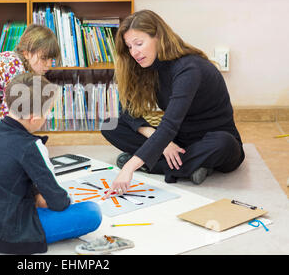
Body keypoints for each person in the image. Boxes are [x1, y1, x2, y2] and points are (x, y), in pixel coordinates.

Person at [0, 73, 102, 254]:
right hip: (5, 233)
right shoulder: (31, 146)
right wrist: (54, 198)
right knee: (92, 212)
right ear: (34, 118)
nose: (48, 117)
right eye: (48, 113)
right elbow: (58, 202)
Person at [101, 10, 245, 197]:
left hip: (213, 141)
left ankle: (154, 166)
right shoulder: (149, 66)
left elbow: (169, 124)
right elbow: (128, 112)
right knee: (110, 125)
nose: (134, 52)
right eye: (129, 47)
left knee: (224, 143)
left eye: (139, 43)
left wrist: (129, 167)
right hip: (179, 141)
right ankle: (191, 167)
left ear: (159, 37)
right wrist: (161, 141)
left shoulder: (189, 68)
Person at [0, 24, 60, 133]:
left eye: (51, 59)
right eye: (44, 58)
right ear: (26, 53)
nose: (48, 65)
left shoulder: (14, 59)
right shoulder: (15, 70)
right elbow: (7, 118)